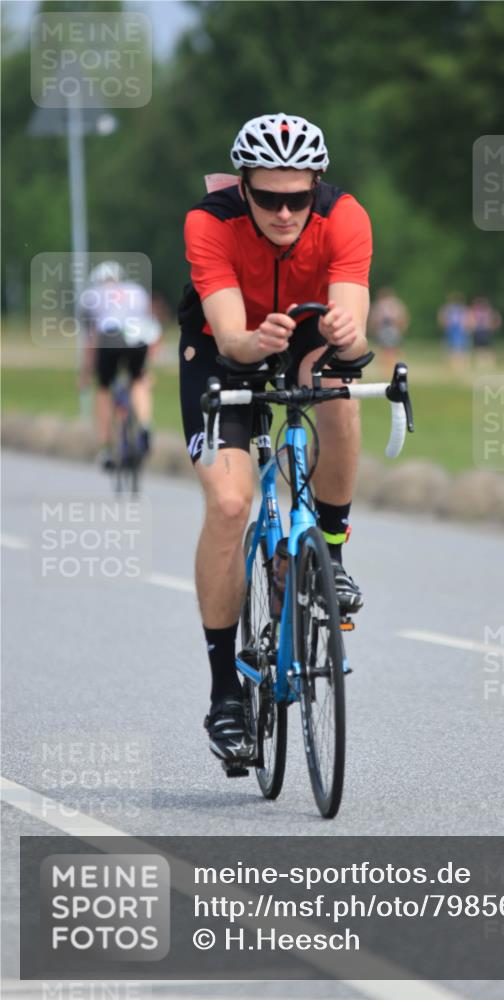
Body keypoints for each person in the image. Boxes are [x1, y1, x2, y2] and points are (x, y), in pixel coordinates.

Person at [177, 113, 372, 768]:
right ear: (243, 186)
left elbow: (359, 337)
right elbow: (232, 336)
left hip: (307, 338)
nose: (286, 213)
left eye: (299, 198)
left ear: (317, 184)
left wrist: (349, 336)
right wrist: (251, 346)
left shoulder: (345, 217)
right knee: (231, 507)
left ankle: (332, 554)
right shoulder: (209, 222)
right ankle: (225, 694)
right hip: (221, 350)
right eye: (268, 199)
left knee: (340, 399)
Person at [78, 261, 160, 469]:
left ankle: (105, 448)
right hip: (138, 338)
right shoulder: (137, 291)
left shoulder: (91, 296)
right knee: (138, 380)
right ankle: (144, 424)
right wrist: (147, 368)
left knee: (104, 389)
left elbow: (92, 339)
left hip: (110, 337)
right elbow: (151, 328)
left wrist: (86, 373)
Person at [368, 287, 409, 377]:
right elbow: (402, 316)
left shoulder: (381, 305)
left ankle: (387, 369)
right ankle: (391, 368)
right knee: (390, 349)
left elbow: (374, 319)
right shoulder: (395, 304)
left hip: (386, 328)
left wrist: (373, 329)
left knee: (386, 349)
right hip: (391, 328)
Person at [437, 292, 470, 372]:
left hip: (458, 330)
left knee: (457, 348)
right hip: (454, 330)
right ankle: (457, 365)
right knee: (456, 348)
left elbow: (441, 318)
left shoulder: (453, 309)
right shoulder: (451, 309)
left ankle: (458, 365)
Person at [467, 296, 501, 369]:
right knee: (483, 349)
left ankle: (487, 364)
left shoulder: (485, 311)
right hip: (481, 331)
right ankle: (484, 365)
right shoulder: (485, 311)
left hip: (483, 331)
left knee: (484, 349)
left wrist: (493, 327)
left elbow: (497, 319)